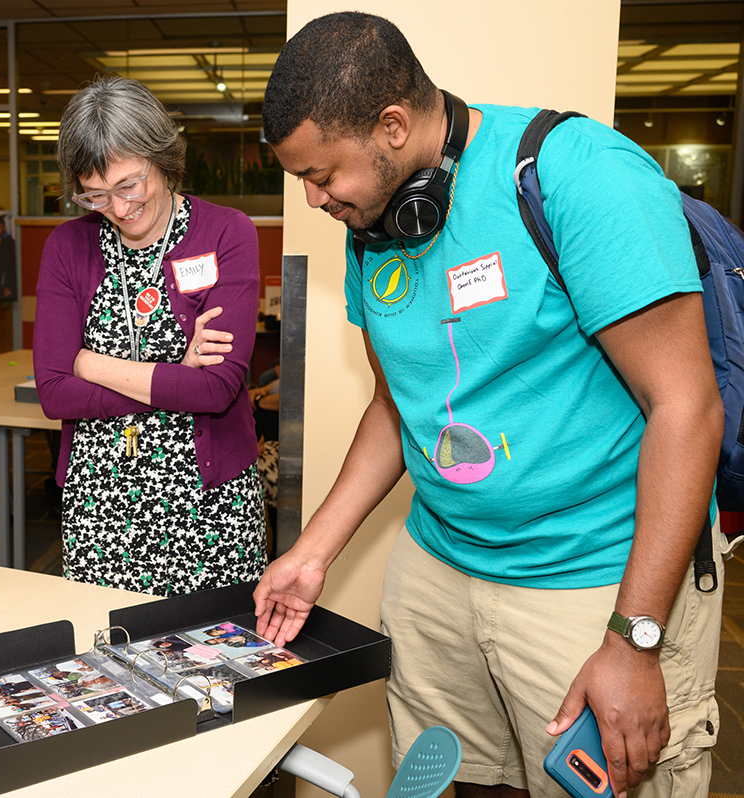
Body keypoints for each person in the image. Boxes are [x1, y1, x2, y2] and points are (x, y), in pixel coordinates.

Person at [251, 13, 725, 798]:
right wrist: (312, 553)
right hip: (442, 567)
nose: (313, 198)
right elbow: (394, 405)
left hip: (594, 583)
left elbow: (687, 407)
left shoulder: (577, 175)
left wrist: (635, 641)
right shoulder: (371, 219)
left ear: (392, 126)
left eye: (323, 174)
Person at [33, 75, 266, 597]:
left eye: (129, 185)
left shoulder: (227, 233)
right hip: (99, 510)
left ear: (161, 159)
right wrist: (174, 376)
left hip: (209, 510)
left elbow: (215, 388)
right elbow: (52, 392)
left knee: (214, 662)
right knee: (104, 661)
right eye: (95, 194)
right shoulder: (68, 247)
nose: (117, 208)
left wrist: (88, 362)